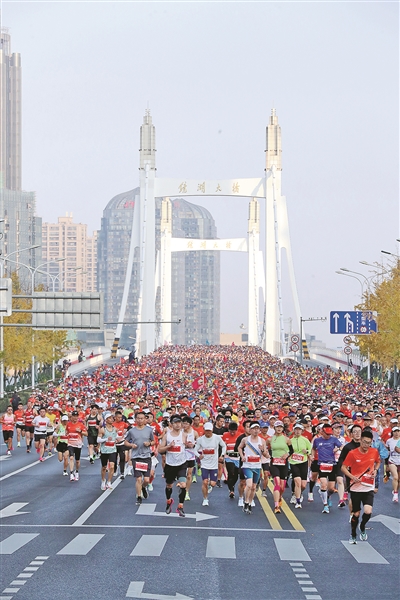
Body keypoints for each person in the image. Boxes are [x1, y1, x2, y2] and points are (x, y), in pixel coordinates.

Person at [341, 430, 380, 544]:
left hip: (368, 486)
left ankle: (362, 526)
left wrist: (376, 470)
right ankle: (353, 534)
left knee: (368, 511)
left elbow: (378, 462)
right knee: (356, 514)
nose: (366, 445)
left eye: (368, 443)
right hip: (356, 488)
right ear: (360, 441)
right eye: (364, 442)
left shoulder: (374, 451)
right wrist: (352, 477)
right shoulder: (352, 453)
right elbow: (343, 467)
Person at [158, 415, 188, 517]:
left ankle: (180, 506)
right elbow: (160, 450)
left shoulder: (184, 435)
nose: (178, 424)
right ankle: (168, 501)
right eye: (175, 423)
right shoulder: (167, 436)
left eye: (179, 422)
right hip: (170, 464)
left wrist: (190, 445)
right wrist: (168, 446)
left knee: (183, 485)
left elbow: (188, 446)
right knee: (169, 485)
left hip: (182, 464)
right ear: (171, 424)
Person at [124, 411, 154, 503]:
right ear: (135, 419)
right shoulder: (132, 431)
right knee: (138, 478)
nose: (140, 420)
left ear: (145, 419)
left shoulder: (149, 430)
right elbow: (125, 442)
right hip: (136, 457)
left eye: (142, 418)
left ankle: (143, 487)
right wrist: (131, 445)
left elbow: (153, 441)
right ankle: (139, 497)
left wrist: (149, 443)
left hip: (146, 456)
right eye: (138, 418)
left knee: (146, 479)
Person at [311, 423, 342, 514]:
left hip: (332, 464)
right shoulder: (317, 440)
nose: (328, 436)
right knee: (324, 484)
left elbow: (342, 446)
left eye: (330, 434)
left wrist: (338, 449)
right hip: (322, 464)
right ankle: (325, 505)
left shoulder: (334, 439)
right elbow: (313, 448)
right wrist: (312, 455)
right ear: (322, 432)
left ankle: (327, 495)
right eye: (327, 434)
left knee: (331, 488)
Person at [238, 422, 268, 514]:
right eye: (254, 428)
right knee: (249, 485)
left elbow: (265, 454)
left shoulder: (262, 441)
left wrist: (262, 450)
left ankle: (250, 502)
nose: (256, 430)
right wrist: (242, 456)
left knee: (254, 487)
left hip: (257, 466)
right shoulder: (245, 439)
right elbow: (239, 448)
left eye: (257, 428)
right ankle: (246, 502)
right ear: (250, 430)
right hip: (247, 465)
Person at [194, 422, 226, 507]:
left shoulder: (217, 438)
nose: (208, 432)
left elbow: (224, 446)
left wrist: (222, 455)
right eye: (206, 430)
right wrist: (199, 456)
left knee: (213, 483)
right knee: (204, 482)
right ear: (204, 430)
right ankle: (205, 499)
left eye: (209, 430)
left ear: (212, 430)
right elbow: (195, 450)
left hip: (214, 464)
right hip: (204, 464)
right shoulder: (200, 439)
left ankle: (210, 485)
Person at [267, 420, 291, 514]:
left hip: (284, 464)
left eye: (280, 427)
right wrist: (267, 455)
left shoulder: (286, 439)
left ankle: (279, 497)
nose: (279, 428)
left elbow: (291, 450)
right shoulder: (270, 439)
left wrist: (287, 454)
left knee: (282, 486)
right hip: (274, 463)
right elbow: (265, 448)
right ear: (274, 428)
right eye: (277, 427)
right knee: (277, 484)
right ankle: (276, 505)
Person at [288, 423, 312, 509]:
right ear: (294, 430)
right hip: (294, 462)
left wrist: (307, 452)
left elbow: (310, 449)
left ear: (302, 431)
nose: (297, 431)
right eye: (296, 429)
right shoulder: (290, 440)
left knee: (303, 485)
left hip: (303, 462)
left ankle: (298, 493)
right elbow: (287, 450)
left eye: (299, 430)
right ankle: (297, 501)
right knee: (297, 481)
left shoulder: (305, 440)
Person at [98, 411, 118, 490]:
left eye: (112, 418)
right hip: (104, 450)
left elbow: (117, 437)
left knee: (112, 466)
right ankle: (103, 480)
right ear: (106, 420)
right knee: (104, 467)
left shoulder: (115, 429)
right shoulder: (103, 429)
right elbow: (98, 440)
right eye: (109, 418)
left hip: (113, 450)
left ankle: (109, 482)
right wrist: (106, 439)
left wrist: (118, 439)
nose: (111, 419)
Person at [65, 410, 87, 481]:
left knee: (77, 461)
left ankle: (76, 472)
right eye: (73, 416)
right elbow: (66, 432)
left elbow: (86, 434)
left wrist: (80, 431)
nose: (75, 418)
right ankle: (71, 473)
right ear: (71, 417)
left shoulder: (80, 424)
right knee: (71, 458)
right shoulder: (68, 424)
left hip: (78, 444)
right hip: (70, 444)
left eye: (76, 416)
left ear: (78, 417)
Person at [385, 425, 400, 502]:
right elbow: (387, 452)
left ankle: (395, 490)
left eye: (398, 431)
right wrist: (386, 464)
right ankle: (395, 494)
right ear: (392, 432)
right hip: (392, 461)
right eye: (395, 431)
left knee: (399, 480)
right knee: (395, 477)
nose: (396, 433)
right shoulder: (389, 441)